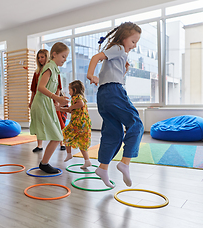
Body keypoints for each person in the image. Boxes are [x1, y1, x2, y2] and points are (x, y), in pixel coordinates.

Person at [87, 22, 144, 188]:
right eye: (133, 41)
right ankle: (125, 163)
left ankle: (103, 168)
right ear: (124, 38)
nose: (134, 45)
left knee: (113, 133)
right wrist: (90, 75)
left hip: (104, 96)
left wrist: (124, 70)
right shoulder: (118, 49)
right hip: (113, 91)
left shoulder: (119, 53)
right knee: (136, 124)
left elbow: (111, 72)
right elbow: (95, 58)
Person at [30, 42, 70, 173]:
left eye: (66, 57)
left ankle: (44, 163)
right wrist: (57, 98)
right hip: (41, 104)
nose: (65, 60)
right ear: (54, 54)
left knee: (58, 135)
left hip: (47, 104)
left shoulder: (55, 69)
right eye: (63, 56)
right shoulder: (49, 67)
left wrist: (57, 101)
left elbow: (54, 88)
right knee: (58, 136)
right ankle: (44, 163)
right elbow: (40, 88)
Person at [29, 49, 65, 152]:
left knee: (57, 121)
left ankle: (61, 142)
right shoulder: (37, 73)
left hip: (51, 100)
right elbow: (35, 89)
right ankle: (40, 145)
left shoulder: (53, 69)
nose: (40, 59)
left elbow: (58, 87)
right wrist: (31, 101)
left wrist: (56, 100)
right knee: (39, 123)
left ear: (47, 57)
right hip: (41, 100)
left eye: (42, 57)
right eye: (39, 57)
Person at [59, 80, 92, 169]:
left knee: (65, 132)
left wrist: (69, 107)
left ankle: (69, 154)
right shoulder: (81, 97)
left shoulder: (76, 97)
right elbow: (71, 110)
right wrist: (60, 109)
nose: (69, 92)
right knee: (82, 142)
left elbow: (79, 105)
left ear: (75, 90)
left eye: (69, 90)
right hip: (84, 123)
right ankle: (87, 161)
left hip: (78, 123)